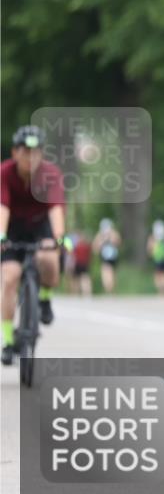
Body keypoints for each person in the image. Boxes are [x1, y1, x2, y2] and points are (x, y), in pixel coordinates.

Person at [1, 125, 65, 365]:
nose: (31, 157)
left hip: (41, 226)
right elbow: (2, 207)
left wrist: (58, 238)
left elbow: (56, 209)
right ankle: (8, 341)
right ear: (15, 153)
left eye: (36, 151)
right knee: (9, 278)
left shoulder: (51, 173)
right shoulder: (5, 173)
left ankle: (45, 298)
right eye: (25, 151)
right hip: (13, 228)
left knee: (49, 259)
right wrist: (1, 236)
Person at [91, 218, 121, 294]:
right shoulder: (104, 234)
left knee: (108, 273)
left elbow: (118, 242)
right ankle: (110, 289)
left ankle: (110, 289)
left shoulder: (104, 234)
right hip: (108, 256)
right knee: (109, 272)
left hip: (111, 256)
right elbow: (95, 247)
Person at [147, 220, 164, 296]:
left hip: (158, 258)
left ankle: (161, 291)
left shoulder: (154, 237)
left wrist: (150, 254)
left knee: (158, 275)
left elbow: (150, 248)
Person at [69, 230, 93, 296]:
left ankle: (81, 292)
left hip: (81, 264)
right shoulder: (85, 246)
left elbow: (73, 256)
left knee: (81, 278)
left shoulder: (78, 246)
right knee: (80, 278)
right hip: (81, 264)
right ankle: (81, 292)